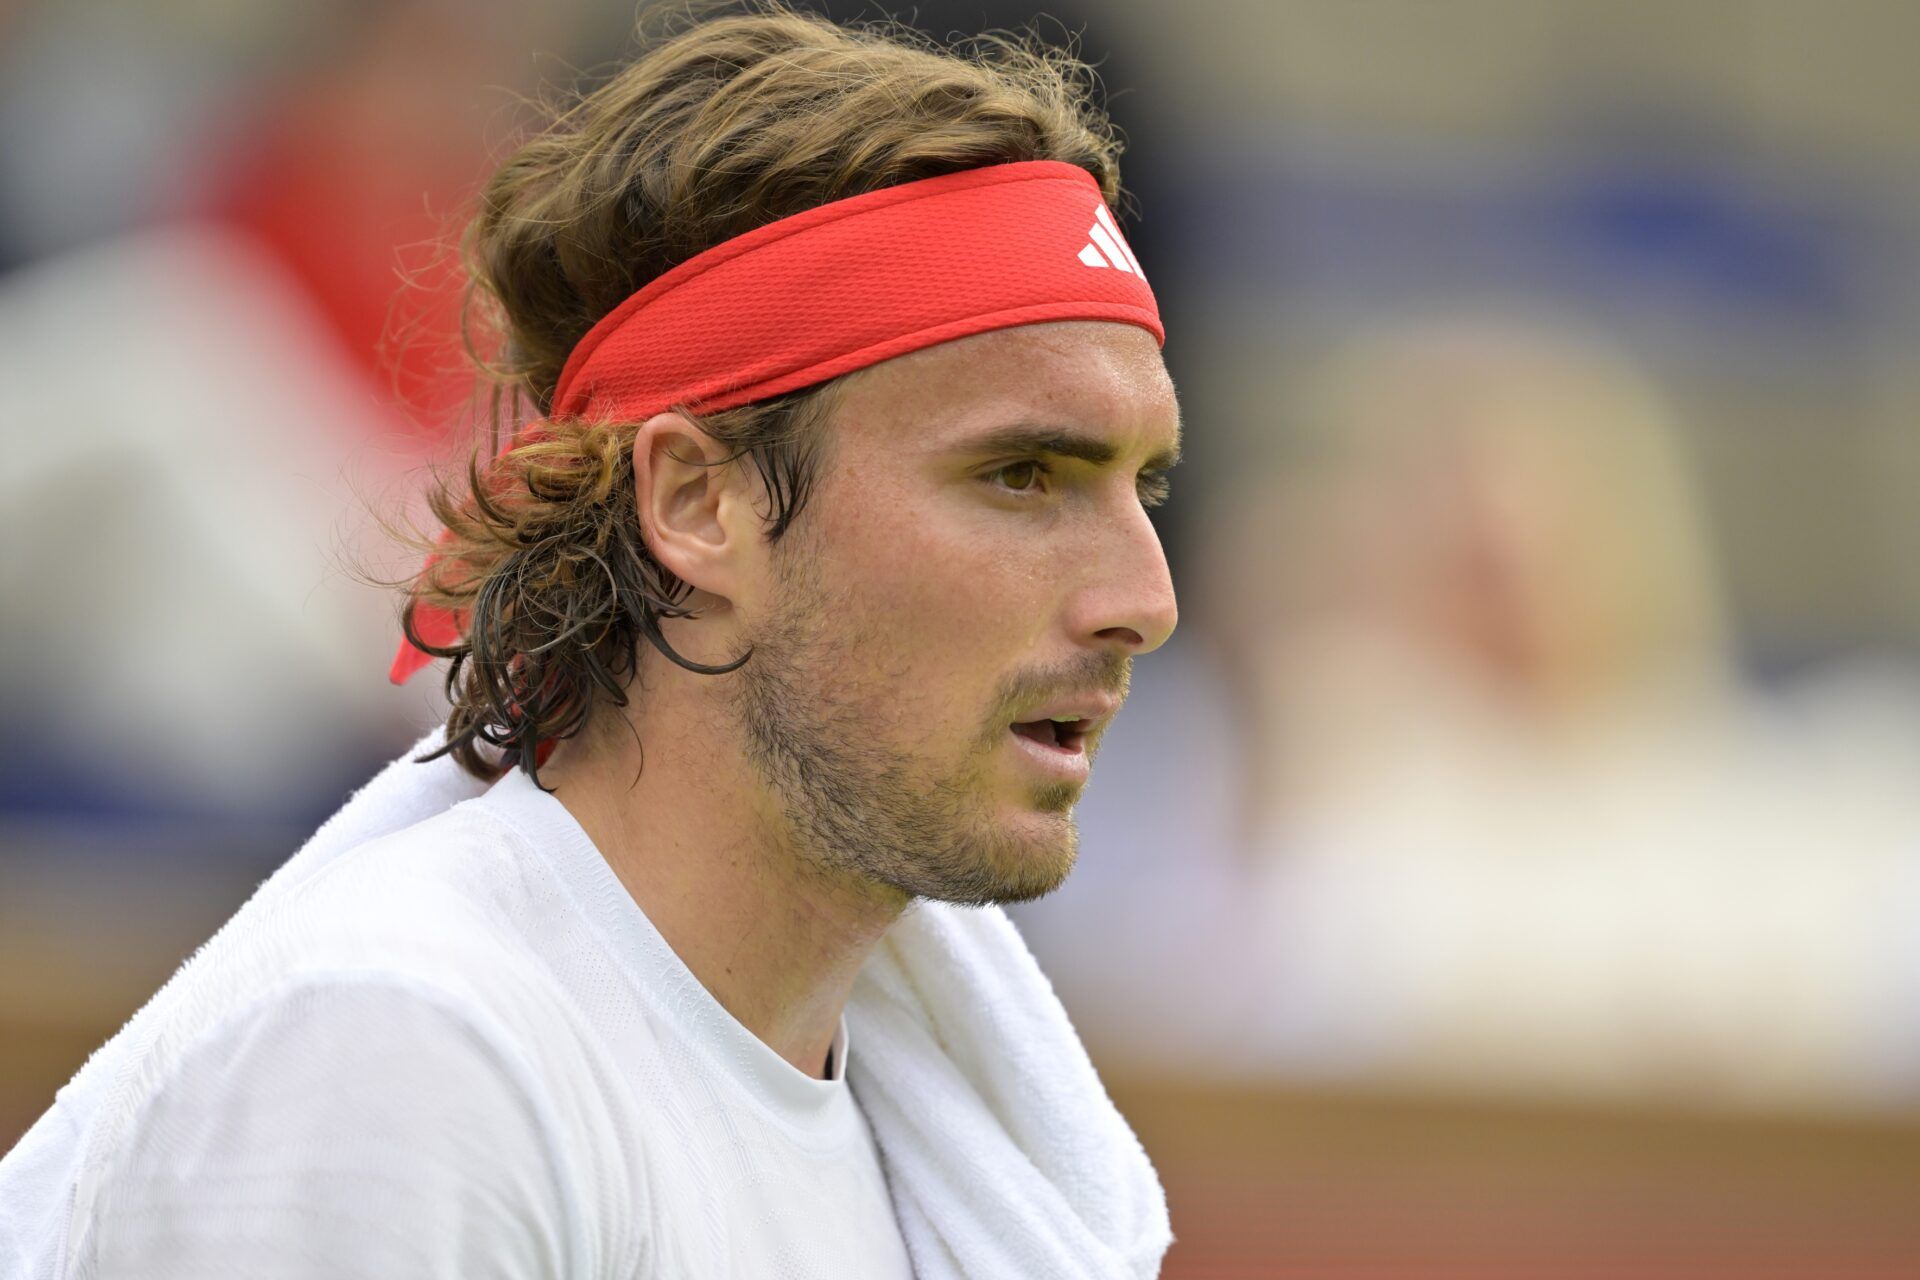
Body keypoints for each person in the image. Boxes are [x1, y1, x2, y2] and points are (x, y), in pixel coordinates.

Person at [0, 6, 1182, 1278]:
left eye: (1144, 486)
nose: (1144, 597)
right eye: (1019, 474)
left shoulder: (930, 1130)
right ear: (698, 504)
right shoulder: (401, 1057)